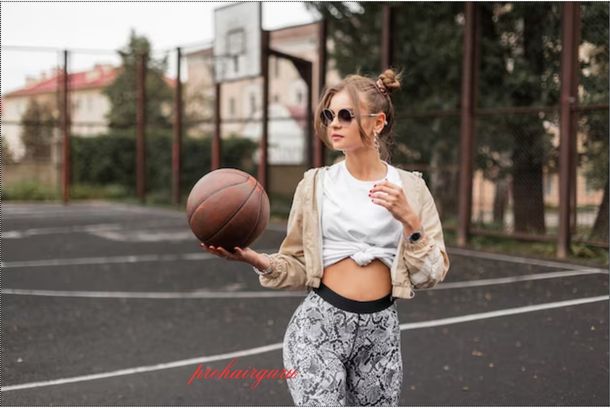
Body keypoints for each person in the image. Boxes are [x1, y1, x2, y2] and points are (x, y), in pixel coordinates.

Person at [201, 68, 450, 406]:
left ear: (378, 123)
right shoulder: (315, 185)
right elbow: (297, 264)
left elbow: (431, 275)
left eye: (346, 115)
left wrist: (411, 223)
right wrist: (258, 260)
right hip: (319, 328)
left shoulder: (412, 189)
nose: (334, 123)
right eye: (329, 114)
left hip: (381, 333)